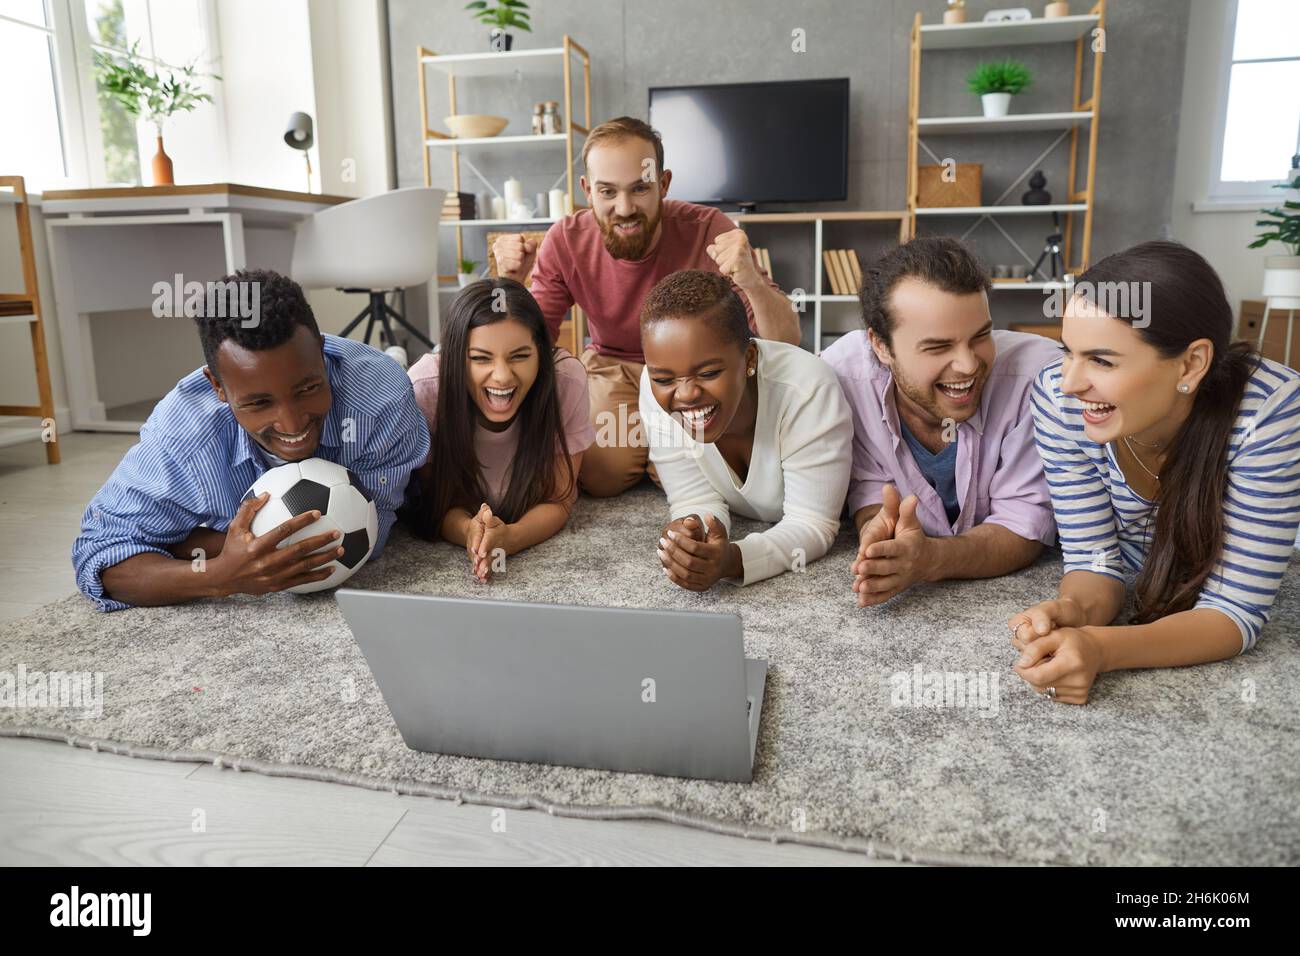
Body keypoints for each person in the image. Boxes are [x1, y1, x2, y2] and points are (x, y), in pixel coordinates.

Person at [1010, 240, 1300, 704]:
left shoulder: (1272, 412)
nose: (1071, 382)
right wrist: (1074, 611)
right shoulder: (1058, 399)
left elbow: (1232, 611)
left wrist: (1103, 649)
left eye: (1101, 360)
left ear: (1191, 363)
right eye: (1068, 352)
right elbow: (1095, 560)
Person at [72, 269, 430, 610]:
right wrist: (220, 575)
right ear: (218, 387)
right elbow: (100, 556)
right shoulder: (184, 437)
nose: (292, 423)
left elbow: (374, 531)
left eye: (308, 388)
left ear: (321, 354)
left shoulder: (380, 398)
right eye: (259, 402)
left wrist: (193, 542)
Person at [492, 116, 797, 498]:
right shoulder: (565, 239)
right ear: (588, 190)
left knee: (715, 476)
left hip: (693, 369)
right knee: (602, 474)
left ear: (663, 184)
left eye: (639, 188)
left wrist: (751, 280)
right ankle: (652, 444)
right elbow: (531, 344)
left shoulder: (708, 227)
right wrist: (510, 283)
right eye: (607, 192)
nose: (624, 208)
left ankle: (659, 445)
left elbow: (786, 341)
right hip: (611, 364)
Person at [821, 236, 1060, 608]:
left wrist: (929, 559)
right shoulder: (841, 375)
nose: (968, 365)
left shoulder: (1038, 380)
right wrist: (879, 530)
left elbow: (1023, 526)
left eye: (981, 336)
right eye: (938, 347)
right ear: (880, 346)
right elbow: (870, 486)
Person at [638, 269, 852, 589]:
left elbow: (813, 523)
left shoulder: (808, 389)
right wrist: (691, 536)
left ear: (749, 357)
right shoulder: (652, 387)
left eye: (708, 372)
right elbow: (693, 496)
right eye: (665, 379)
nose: (684, 394)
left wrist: (733, 560)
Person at [406, 279, 593, 581]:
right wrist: (468, 531)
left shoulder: (566, 380)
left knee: (606, 474)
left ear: (541, 353)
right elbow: (433, 502)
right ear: (455, 358)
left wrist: (512, 537)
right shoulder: (425, 388)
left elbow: (559, 499)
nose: (503, 376)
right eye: (480, 358)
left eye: (520, 356)